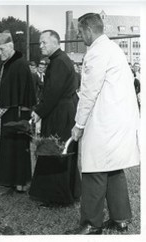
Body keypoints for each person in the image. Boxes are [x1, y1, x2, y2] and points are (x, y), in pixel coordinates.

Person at [65, 13, 140, 235]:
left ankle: (91, 223)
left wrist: (78, 125)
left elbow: (88, 93)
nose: (80, 36)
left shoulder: (96, 52)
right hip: (120, 120)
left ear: (88, 30)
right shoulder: (114, 49)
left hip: (105, 122)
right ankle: (121, 218)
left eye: (80, 32)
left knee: (94, 170)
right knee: (114, 169)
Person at [30, 30, 81, 206]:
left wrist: (38, 112)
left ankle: (57, 197)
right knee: (64, 152)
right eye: (40, 43)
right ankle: (70, 193)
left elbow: (52, 93)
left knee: (55, 151)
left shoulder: (58, 62)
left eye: (44, 42)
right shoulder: (60, 60)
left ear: (55, 42)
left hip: (60, 113)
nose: (41, 46)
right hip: (64, 111)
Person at [0, 31, 36, 193]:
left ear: (10, 46)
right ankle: (17, 183)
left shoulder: (18, 65)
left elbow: (9, 97)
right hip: (13, 114)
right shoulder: (11, 63)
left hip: (14, 115)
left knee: (10, 151)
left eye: (1, 49)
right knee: (13, 151)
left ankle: (8, 183)